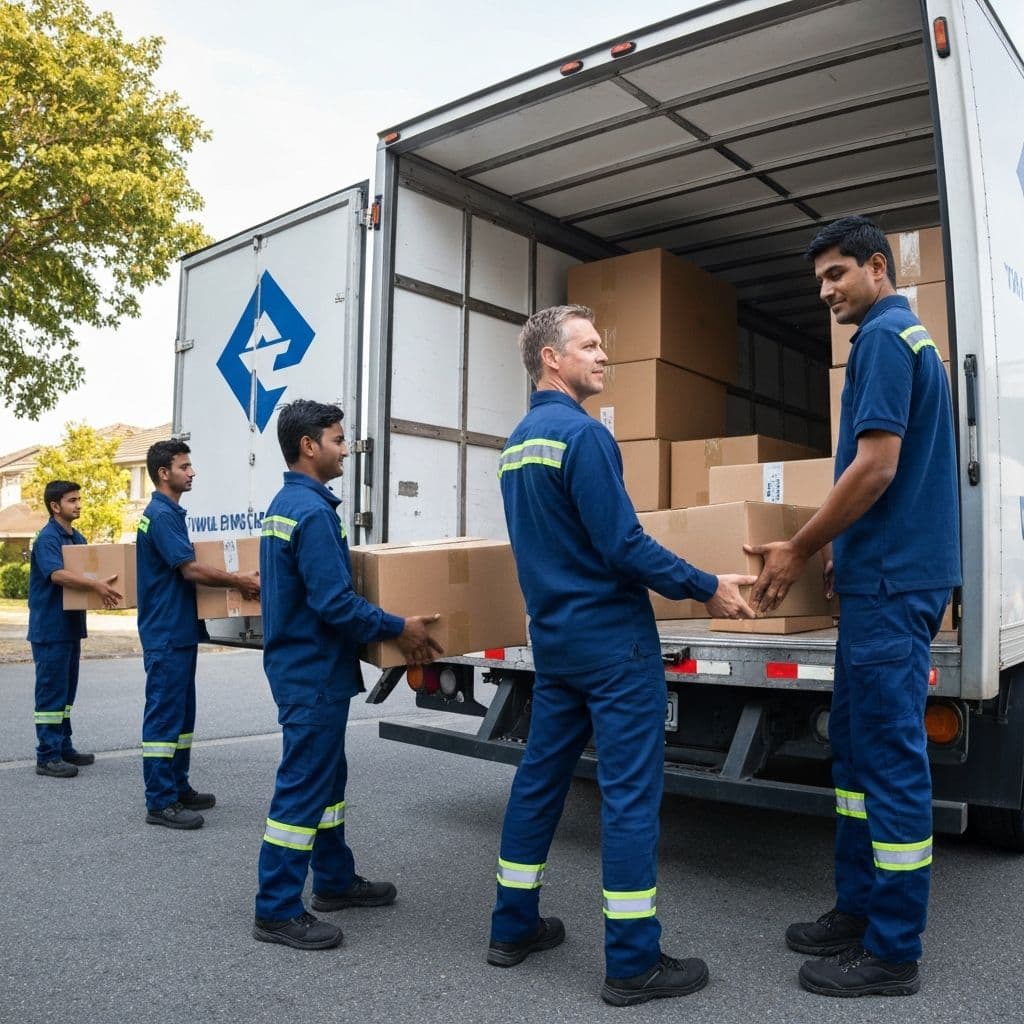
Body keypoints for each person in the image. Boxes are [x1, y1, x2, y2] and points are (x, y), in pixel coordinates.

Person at [486, 305, 757, 1006]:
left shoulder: (516, 445)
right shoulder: (584, 437)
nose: (604, 356)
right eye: (590, 345)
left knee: (539, 781)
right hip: (613, 646)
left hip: (556, 645)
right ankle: (633, 962)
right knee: (631, 796)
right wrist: (708, 589)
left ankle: (512, 926)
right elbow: (623, 546)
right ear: (551, 359)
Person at [745, 215, 960, 997]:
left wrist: (800, 546)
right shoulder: (910, 341)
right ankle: (858, 907)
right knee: (858, 757)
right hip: (885, 575)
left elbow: (875, 466)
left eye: (837, 274)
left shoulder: (881, 340)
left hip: (892, 582)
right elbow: (882, 478)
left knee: (890, 762)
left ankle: (893, 951)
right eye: (821, 282)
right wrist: (841, 545)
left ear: (877, 267)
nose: (828, 292)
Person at [253, 399, 443, 951]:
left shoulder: (287, 505)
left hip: (308, 666)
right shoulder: (310, 513)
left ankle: (333, 880)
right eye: (337, 439)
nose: (345, 448)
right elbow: (334, 602)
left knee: (327, 783)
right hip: (311, 671)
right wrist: (398, 628)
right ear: (309, 446)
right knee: (303, 790)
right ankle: (276, 909)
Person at [137, 440, 261, 830]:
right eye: (185, 466)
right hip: (166, 632)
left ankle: (177, 786)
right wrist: (239, 579)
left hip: (178, 630)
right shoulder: (161, 515)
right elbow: (188, 569)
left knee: (182, 716)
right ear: (163, 473)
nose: (192, 472)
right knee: (164, 718)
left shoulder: (169, 512)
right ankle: (159, 802)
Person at [28, 480, 122, 778]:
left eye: (79, 499)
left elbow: (91, 571)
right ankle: (47, 756)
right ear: (55, 506)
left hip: (70, 627)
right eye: (72, 500)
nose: (79, 504)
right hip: (50, 628)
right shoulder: (48, 539)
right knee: (51, 694)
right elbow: (57, 575)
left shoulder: (76, 536)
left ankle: (63, 746)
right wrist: (96, 585)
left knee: (66, 694)